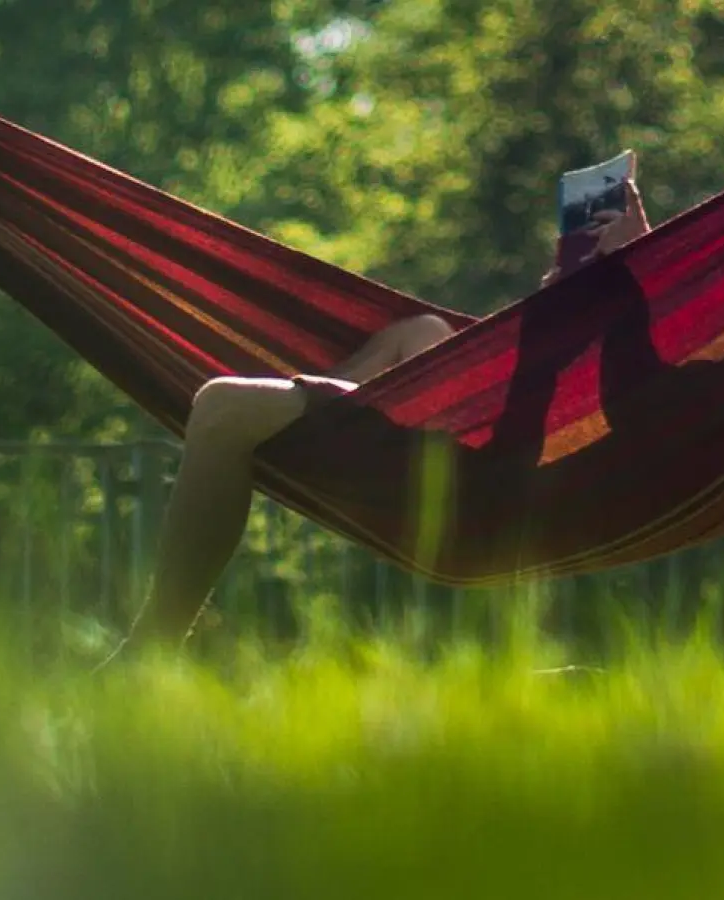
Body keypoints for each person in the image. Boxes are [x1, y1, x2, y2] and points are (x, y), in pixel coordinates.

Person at [115, 178, 653, 654]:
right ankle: (312, 396)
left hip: (469, 463)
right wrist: (572, 281)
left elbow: (556, 393)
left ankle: (150, 646)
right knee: (419, 331)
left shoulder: (608, 342)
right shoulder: (587, 314)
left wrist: (624, 273)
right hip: (459, 412)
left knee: (221, 406)